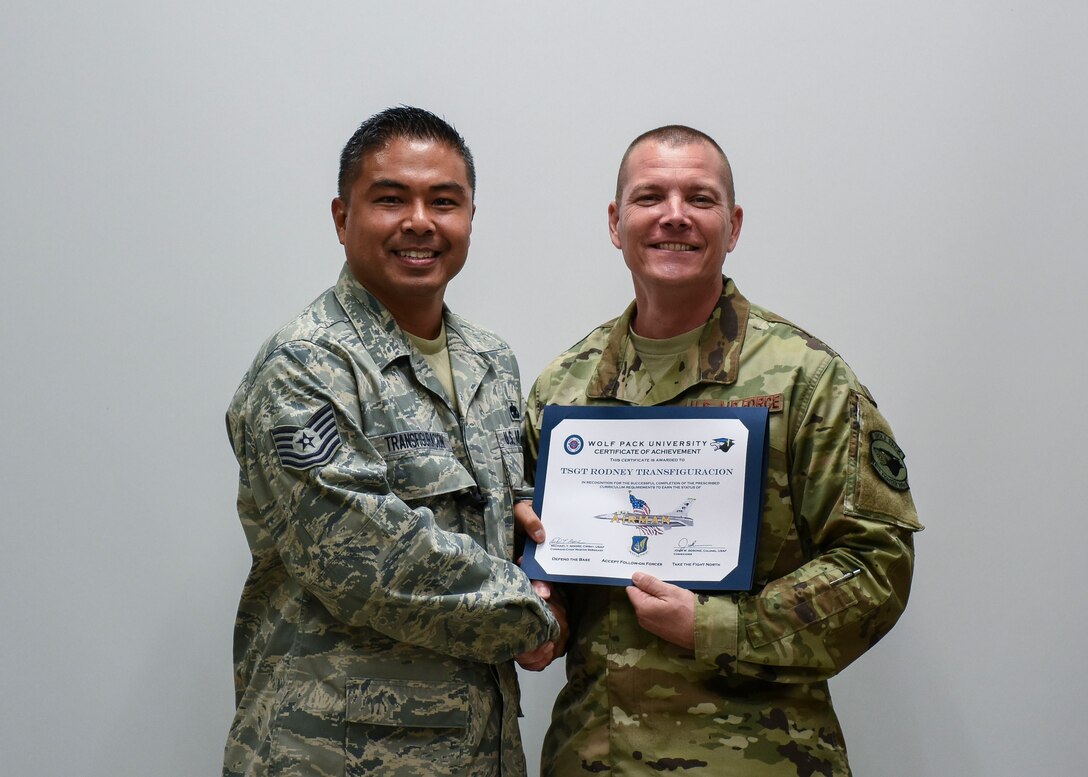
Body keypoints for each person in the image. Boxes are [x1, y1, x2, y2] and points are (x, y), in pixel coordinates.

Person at [519, 126, 922, 776]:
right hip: (594, 755)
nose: (674, 215)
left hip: (759, 757)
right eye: (650, 196)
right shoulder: (562, 388)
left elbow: (878, 567)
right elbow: (546, 569)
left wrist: (718, 626)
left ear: (732, 225)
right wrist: (540, 610)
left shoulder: (805, 379)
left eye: (699, 199)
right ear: (616, 221)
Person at [223, 106, 561, 777]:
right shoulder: (305, 366)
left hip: (478, 751)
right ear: (341, 216)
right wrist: (535, 616)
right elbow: (364, 560)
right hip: (333, 753)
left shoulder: (491, 361)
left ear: (469, 216)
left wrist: (550, 550)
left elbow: (514, 513)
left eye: (444, 200)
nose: (420, 221)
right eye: (389, 198)